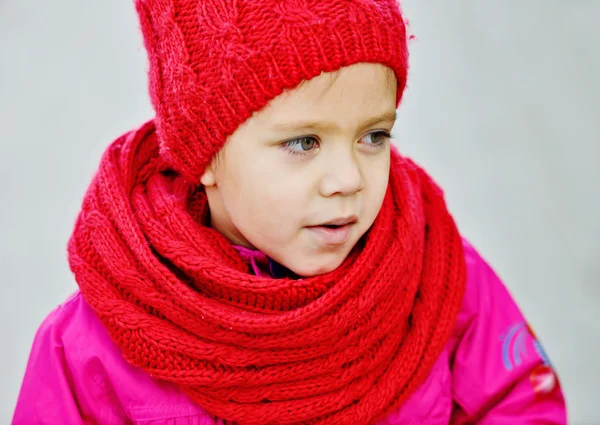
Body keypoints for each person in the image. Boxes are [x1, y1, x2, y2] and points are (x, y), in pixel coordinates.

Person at [12, 0, 567, 424]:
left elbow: (517, 400)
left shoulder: (436, 277)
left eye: (373, 135)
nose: (349, 179)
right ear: (205, 154)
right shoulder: (92, 347)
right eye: (303, 143)